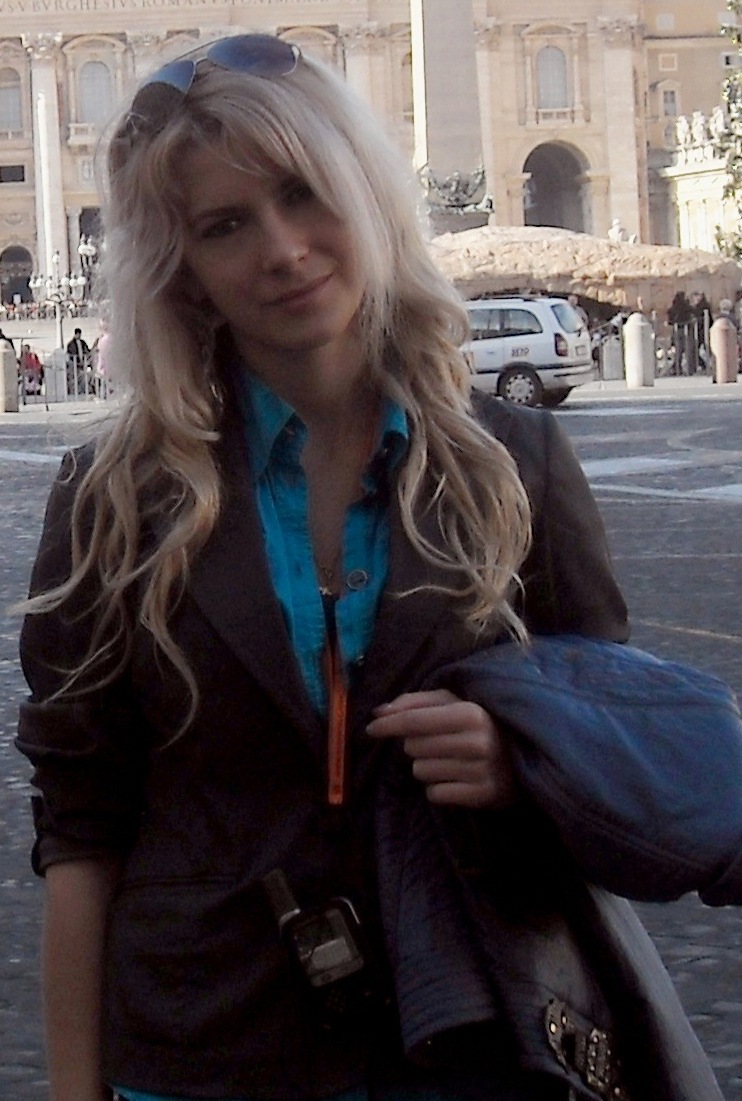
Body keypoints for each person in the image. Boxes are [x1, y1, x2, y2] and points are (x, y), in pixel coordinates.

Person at [14, 33, 735, 1101]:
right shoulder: (110, 497)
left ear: (364, 193)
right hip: (205, 1050)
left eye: (303, 195)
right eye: (224, 226)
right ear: (186, 270)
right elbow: (81, 829)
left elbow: (593, 720)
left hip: (463, 1031)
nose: (283, 250)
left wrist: (517, 759)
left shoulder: (517, 462)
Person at [65, 326, 92, 394]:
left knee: (83, 376)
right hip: (75, 363)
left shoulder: (83, 342)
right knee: (76, 377)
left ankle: (82, 389)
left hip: (82, 362)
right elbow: (70, 353)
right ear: (75, 334)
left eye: (80, 334)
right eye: (78, 334)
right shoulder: (71, 344)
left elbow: (86, 350)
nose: (79, 335)